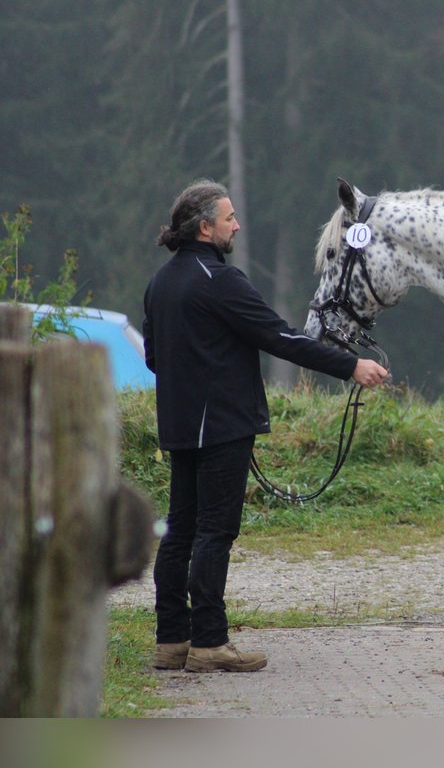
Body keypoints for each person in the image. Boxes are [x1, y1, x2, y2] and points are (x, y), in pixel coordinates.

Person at [143, 180, 389, 673]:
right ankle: (210, 642)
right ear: (206, 227)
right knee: (215, 531)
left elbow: (153, 358)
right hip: (222, 427)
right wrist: (351, 366)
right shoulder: (220, 282)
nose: (237, 224)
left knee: (180, 531)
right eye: (229, 217)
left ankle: (172, 639)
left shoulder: (160, 283)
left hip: (178, 424)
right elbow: (283, 339)